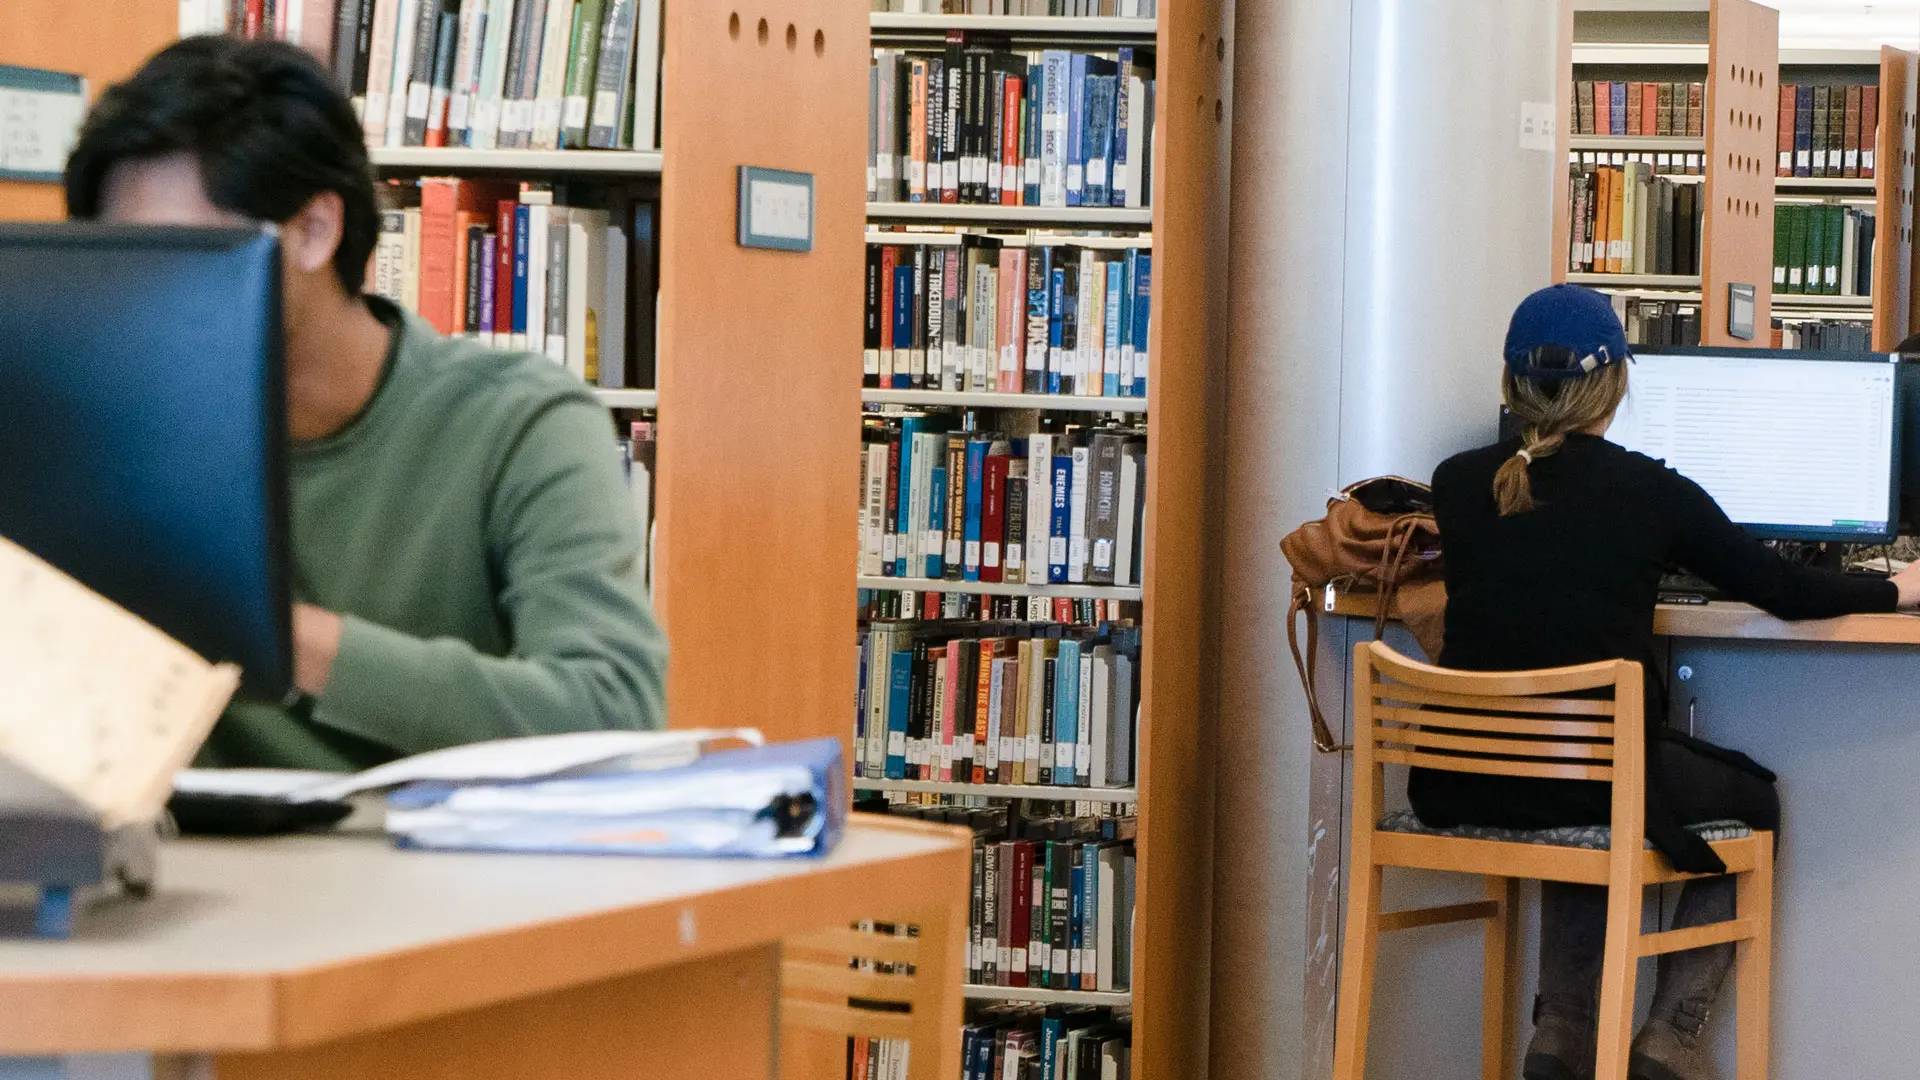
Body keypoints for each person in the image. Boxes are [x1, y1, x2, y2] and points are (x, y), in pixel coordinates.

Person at [63, 36, 668, 769]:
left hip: (448, 873)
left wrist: (275, 637)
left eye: (180, 255)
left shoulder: (520, 422)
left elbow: (613, 711)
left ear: (314, 231)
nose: (143, 299)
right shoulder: (94, 432)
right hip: (186, 872)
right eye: (123, 260)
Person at [1420, 284, 1920, 1080]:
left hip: (1459, 783)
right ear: (1618, 383)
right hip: (1587, 779)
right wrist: (1898, 588)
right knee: (1749, 797)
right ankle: (1671, 1038)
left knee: (1593, 781)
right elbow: (1786, 593)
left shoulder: (1453, 483)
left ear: (1509, 386)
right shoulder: (1649, 493)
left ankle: (1563, 1032)